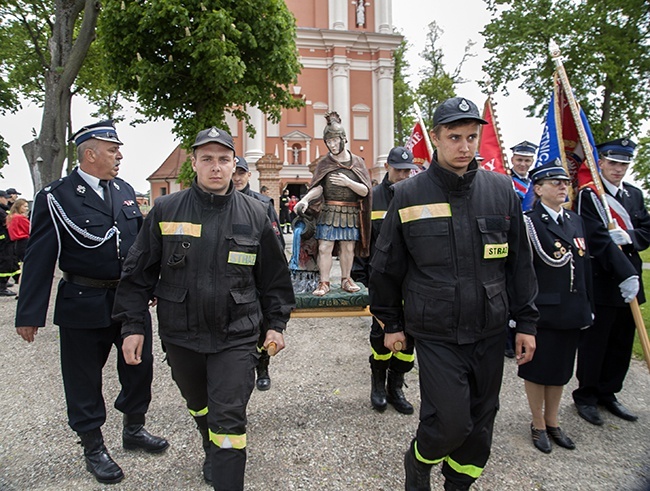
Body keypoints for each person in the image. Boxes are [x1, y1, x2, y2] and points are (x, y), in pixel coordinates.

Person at [369, 97, 538, 491]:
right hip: (436, 330)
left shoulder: (501, 191)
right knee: (449, 420)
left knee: (481, 425)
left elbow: (520, 265)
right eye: (454, 137)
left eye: (472, 137)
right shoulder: (408, 195)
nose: (464, 146)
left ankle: (457, 484)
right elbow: (385, 266)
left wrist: (526, 322)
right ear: (436, 138)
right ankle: (419, 460)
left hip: (490, 328)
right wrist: (390, 323)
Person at [112, 126, 295, 489]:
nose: (216, 167)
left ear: (234, 165)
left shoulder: (256, 214)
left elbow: (274, 278)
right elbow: (137, 275)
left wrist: (276, 324)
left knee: (228, 419)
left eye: (224, 159)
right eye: (207, 159)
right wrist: (132, 326)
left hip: (237, 334)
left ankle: (226, 471)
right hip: (181, 334)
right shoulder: (166, 209)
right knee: (198, 404)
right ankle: (208, 443)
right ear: (193, 163)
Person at [15, 120, 168, 485]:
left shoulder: (126, 191)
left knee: (139, 368)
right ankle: (93, 445)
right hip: (82, 300)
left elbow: (141, 248)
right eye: (113, 150)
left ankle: (134, 427)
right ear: (90, 153)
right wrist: (29, 312)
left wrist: (153, 287)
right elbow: (39, 256)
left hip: (127, 299)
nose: (119, 156)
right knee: (83, 377)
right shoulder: (56, 196)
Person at [573, 137, 649, 426]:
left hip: (630, 278)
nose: (619, 169)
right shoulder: (590, 195)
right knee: (597, 341)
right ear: (600, 162)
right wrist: (623, 272)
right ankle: (586, 395)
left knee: (621, 341)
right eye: (614, 163)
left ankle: (609, 392)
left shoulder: (634, 195)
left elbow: (646, 228)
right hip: (604, 279)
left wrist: (630, 237)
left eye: (624, 164)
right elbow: (596, 238)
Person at [520, 161, 593, 453]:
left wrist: (588, 305)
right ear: (538, 189)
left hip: (572, 309)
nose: (563, 186)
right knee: (538, 370)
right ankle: (537, 423)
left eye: (565, 182)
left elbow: (585, 265)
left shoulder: (574, 220)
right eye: (555, 182)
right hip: (543, 310)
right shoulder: (529, 222)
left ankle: (553, 420)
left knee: (563, 369)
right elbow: (522, 271)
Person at [352, 146, 418, 415]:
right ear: (388, 167)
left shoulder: (418, 197)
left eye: (407, 170)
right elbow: (362, 241)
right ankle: (378, 385)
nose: (403, 175)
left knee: (409, 342)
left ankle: (396, 387)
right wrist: (360, 276)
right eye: (398, 169)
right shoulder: (372, 199)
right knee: (381, 338)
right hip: (381, 283)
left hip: (413, 284)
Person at [294, 111, 372, 296]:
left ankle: (346, 279)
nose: (332, 145)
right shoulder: (325, 163)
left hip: (350, 212)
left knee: (348, 247)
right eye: (329, 142)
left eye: (335, 141)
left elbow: (365, 191)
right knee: (324, 247)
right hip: (329, 210)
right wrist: (305, 199)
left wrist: (348, 182)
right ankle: (324, 282)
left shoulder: (358, 162)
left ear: (343, 139)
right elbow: (319, 187)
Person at [232, 154, 284, 392]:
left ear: (248, 175)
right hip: (234, 277)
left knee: (264, 325)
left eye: (240, 173)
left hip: (259, 276)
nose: (236, 178)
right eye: (233, 173)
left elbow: (276, 242)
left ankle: (263, 367)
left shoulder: (263, 204)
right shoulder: (221, 201)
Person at [7, 198, 30, 291]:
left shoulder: (11, 217)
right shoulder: (20, 218)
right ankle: (25, 290)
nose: (26, 208)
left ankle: (21, 291)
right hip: (24, 241)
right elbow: (30, 229)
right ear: (19, 206)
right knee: (28, 268)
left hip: (17, 244)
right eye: (24, 206)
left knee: (25, 268)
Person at [0, 189, 19, 296]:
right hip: (3, 241)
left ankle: (4, 284)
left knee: (8, 262)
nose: (7, 199)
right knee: (4, 263)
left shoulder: (4, 209)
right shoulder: (1, 210)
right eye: (5, 197)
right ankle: (1, 287)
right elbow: (7, 221)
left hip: (6, 240)